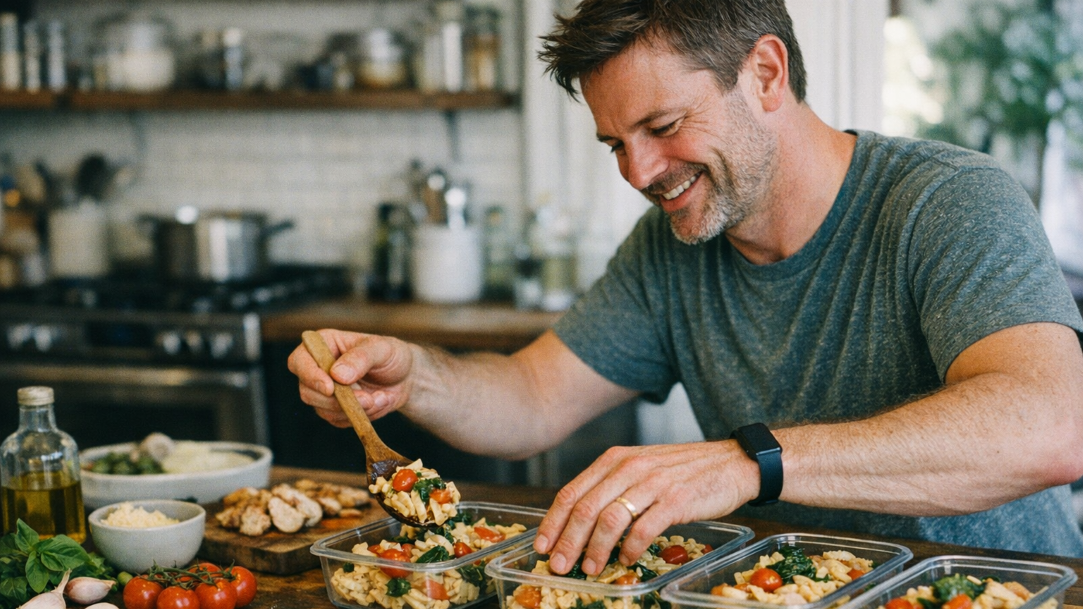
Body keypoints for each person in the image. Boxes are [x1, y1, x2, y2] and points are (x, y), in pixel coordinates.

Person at [290, 0, 1083, 575]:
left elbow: (1052, 426)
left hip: (1000, 589)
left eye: (663, 127)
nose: (639, 173)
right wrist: (415, 378)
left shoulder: (943, 199)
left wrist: (746, 463)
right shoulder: (672, 247)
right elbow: (532, 397)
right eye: (615, 145)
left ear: (765, 73)